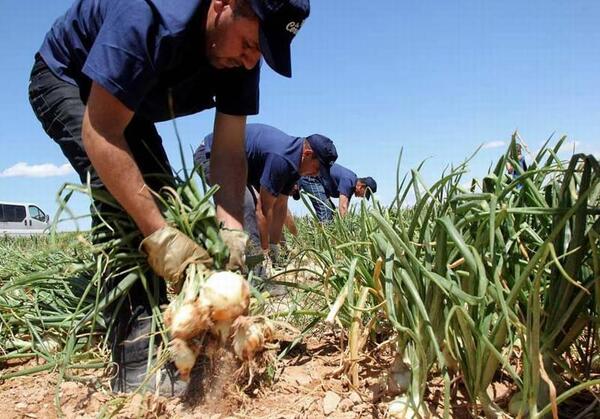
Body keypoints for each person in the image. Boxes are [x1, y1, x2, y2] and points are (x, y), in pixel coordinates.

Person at [28, 0, 310, 394]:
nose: (251, 61)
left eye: (260, 51)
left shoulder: (243, 57)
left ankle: (178, 333)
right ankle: (135, 364)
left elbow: (229, 154)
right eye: (249, 43)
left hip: (130, 96)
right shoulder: (151, 14)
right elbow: (102, 131)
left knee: (159, 194)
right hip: (69, 77)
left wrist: (229, 231)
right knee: (128, 207)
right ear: (224, 5)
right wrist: (158, 234)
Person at [194, 123, 337, 276]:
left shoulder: (296, 165)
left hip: (240, 166)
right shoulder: (281, 158)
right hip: (212, 154)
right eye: (317, 169)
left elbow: (280, 207)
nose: (316, 175)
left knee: (254, 202)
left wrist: (274, 248)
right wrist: (265, 251)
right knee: (245, 204)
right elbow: (263, 210)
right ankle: (256, 274)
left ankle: (249, 262)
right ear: (307, 154)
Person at [299, 163, 377, 222]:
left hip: (318, 181)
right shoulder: (349, 181)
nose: (363, 196)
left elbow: (344, 208)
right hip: (310, 177)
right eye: (365, 193)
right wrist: (345, 232)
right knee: (325, 211)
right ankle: (322, 241)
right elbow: (342, 207)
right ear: (361, 186)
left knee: (332, 214)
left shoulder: (351, 186)